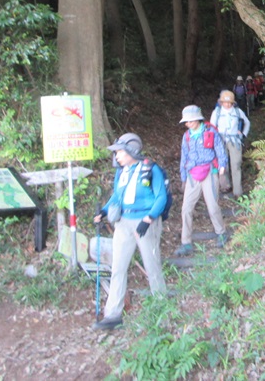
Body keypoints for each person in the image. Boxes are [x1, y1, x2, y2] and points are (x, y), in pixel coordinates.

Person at [92, 133, 170, 330]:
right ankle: (113, 314)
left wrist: (149, 219)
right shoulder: (122, 172)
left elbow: (161, 197)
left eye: (120, 152)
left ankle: (163, 313)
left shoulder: (150, 169)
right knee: (118, 268)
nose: (117, 156)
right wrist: (104, 211)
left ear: (131, 151)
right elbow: (117, 196)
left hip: (146, 222)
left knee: (152, 268)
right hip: (123, 222)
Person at [176, 105, 229, 256]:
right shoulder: (187, 136)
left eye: (190, 121)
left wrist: (222, 167)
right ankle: (186, 242)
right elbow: (184, 156)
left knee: (212, 206)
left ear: (198, 119)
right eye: (186, 122)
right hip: (192, 174)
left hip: (209, 172)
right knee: (186, 209)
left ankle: (221, 233)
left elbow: (220, 149)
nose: (188, 124)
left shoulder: (210, 132)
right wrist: (183, 177)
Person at [210, 90, 250, 198]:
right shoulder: (217, 112)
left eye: (229, 102)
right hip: (220, 140)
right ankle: (225, 186)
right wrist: (214, 140)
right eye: (225, 102)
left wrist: (243, 134)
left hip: (234, 140)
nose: (227, 104)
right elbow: (212, 127)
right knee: (223, 164)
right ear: (221, 102)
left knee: (236, 164)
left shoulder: (237, 111)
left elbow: (247, 122)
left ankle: (237, 191)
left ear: (233, 103)